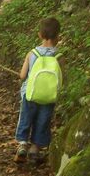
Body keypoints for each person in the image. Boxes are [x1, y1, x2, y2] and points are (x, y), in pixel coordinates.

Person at [14, 17, 62, 164]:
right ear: (58, 37)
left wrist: (22, 77)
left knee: (26, 117)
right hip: (48, 96)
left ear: (40, 35)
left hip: (30, 93)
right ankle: (35, 149)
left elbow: (22, 76)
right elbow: (61, 78)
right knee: (43, 121)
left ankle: (22, 144)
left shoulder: (32, 53)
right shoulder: (59, 56)